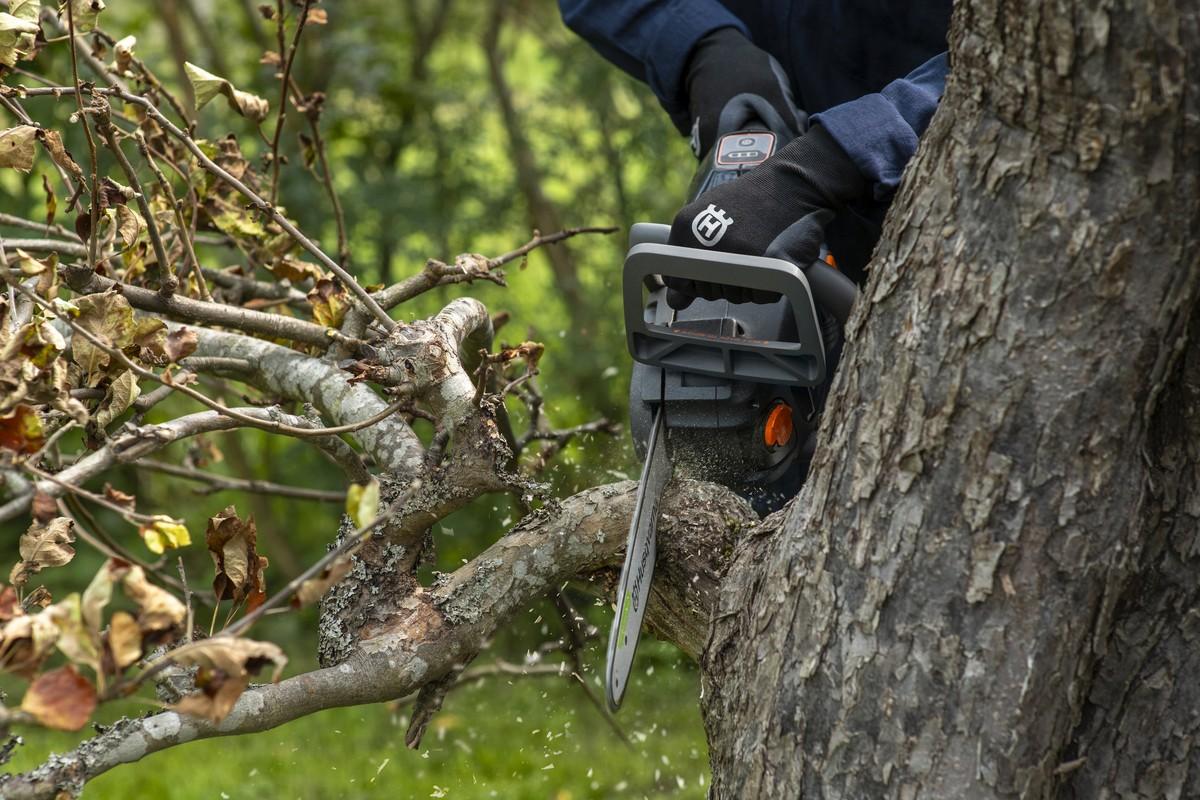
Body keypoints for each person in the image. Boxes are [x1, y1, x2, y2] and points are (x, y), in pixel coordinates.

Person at [558, 1, 951, 292]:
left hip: (944, 241)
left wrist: (844, 153)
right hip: (767, 198)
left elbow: (1005, 65)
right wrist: (698, 42)